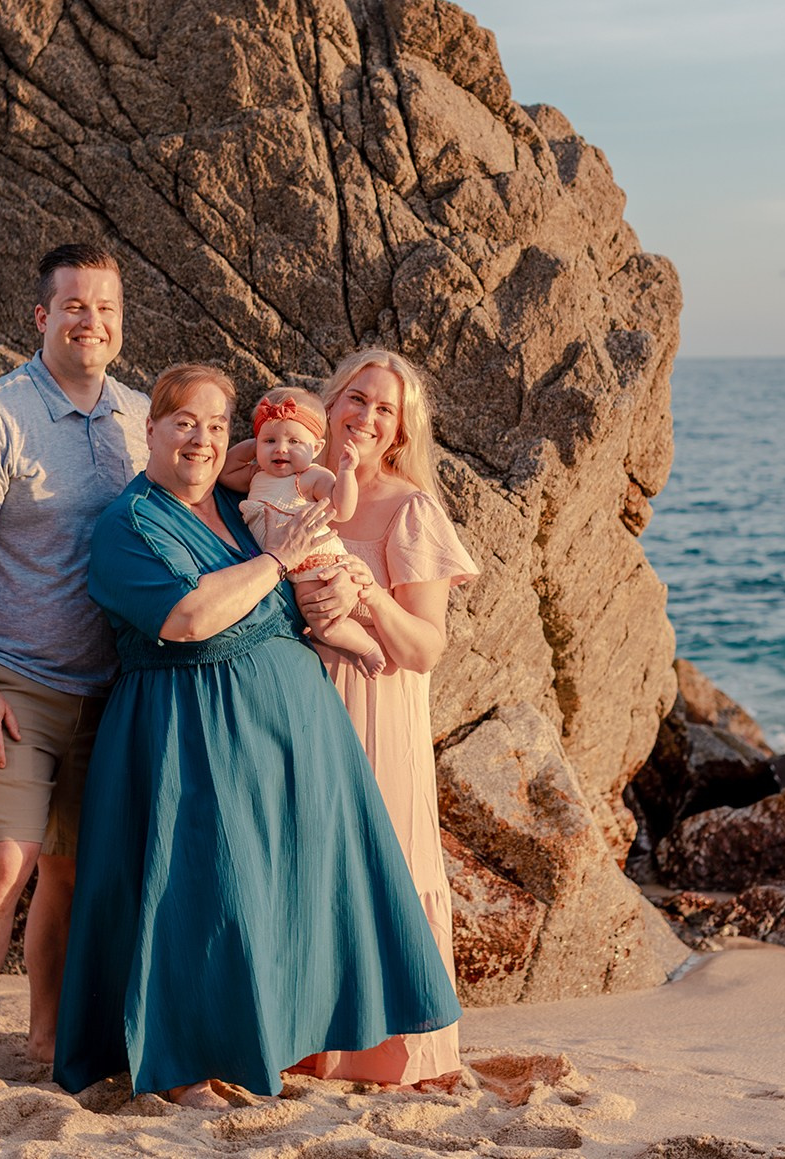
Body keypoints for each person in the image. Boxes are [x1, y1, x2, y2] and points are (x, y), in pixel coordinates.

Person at [53, 363, 460, 1108]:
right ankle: (180, 1067)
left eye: (215, 424)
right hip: (185, 733)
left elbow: (256, 459)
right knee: (198, 897)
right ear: (148, 427)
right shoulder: (131, 523)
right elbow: (189, 619)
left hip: (289, 734)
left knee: (270, 900)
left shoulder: (229, 502)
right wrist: (278, 560)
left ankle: (269, 1045)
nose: (202, 439)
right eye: (184, 422)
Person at [0, 243, 148, 1091]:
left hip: (109, 688)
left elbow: (202, 475)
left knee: (72, 871)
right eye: (76, 306)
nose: (92, 321)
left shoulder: (136, 414)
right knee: (5, 864)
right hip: (12, 683)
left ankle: (47, 1042)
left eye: (107, 309)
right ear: (42, 317)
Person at [290, 348, 480, 1089]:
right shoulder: (298, 492)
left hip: (379, 709)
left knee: (392, 865)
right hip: (302, 705)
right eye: (356, 399)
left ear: (400, 430)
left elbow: (426, 647)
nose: (365, 418)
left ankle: (404, 1051)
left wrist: (368, 594)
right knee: (310, 864)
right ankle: (310, 1042)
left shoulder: (410, 509)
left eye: (384, 409)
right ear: (331, 401)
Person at [220, 385, 386, 676]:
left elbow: (342, 509)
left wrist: (347, 473)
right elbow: (225, 472)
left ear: (317, 447)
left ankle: (365, 646)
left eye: (294, 441)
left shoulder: (310, 477)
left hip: (315, 562)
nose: (281, 449)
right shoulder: (257, 475)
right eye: (270, 440)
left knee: (321, 621)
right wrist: (257, 442)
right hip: (283, 565)